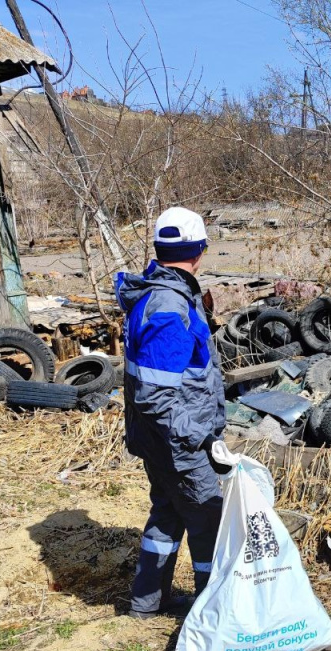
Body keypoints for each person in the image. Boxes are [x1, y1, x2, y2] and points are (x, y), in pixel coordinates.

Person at [116, 207, 231, 620]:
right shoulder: (170, 307)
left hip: (158, 439)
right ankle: (212, 614)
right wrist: (201, 438)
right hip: (179, 443)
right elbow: (155, 397)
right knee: (208, 520)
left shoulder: (155, 294)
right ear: (199, 251)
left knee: (167, 513)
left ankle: (148, 603)